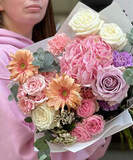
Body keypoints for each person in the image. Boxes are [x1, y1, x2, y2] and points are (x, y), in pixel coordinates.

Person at [0, 0, 111, 160]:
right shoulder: (3, 58)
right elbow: (16, 153)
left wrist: (101, 112)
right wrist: (90, 140)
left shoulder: (47, 55)